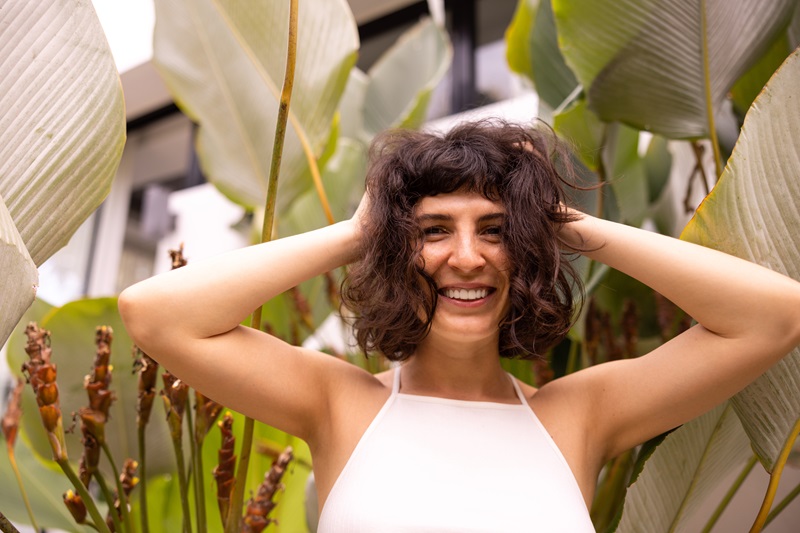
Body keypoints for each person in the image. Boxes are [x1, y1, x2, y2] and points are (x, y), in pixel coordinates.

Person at [119, 120, 800, 532]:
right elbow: (153, 313)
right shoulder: (340, 402)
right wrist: (360, 229)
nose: (467, 256)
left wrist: (570, 226)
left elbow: (774, 316)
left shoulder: (579, 414)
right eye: (434, 230)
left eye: (497, 231)